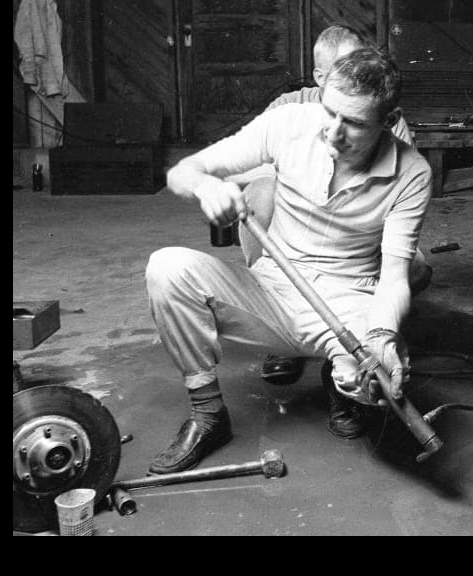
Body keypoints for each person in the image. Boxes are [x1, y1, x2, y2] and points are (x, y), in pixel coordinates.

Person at [146, 46, 432, 473]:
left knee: (367, 380)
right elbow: (181, 170)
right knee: (167, 268)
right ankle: (208, 414)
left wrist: (382, 336)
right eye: (329, 112)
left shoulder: (412, 173)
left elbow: (393, 279)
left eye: (353, 122)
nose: (333, 133)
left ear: (389, 122)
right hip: (271, 291)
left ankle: (341, 381)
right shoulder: (290, 125)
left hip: (347, 300)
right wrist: (207, 187)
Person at [229, 25, 422, 387]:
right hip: (294, 245)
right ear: (320, 77)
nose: (356, 76)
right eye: (342, 68)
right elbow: (244, 164)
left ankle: (357, 350)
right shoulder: (288, 107)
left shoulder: (379, 110)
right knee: (261, 190)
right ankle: (280, 318)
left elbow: (403, 185)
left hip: (357, 247)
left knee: (416, 270)